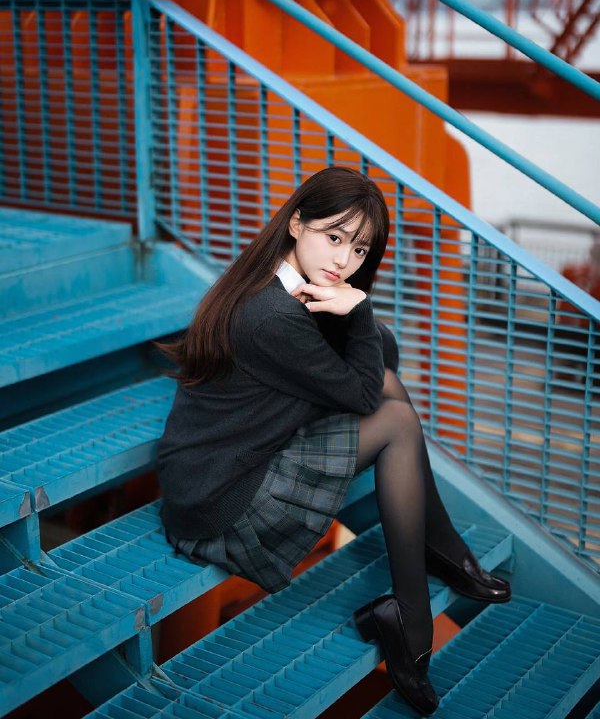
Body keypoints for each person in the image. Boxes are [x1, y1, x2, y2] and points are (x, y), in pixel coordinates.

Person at [156, 166, 511, 715]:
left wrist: (347, 309)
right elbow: (366, 392)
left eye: (359, 249)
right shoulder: (272, 314)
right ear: (298, 223)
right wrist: (358, 310)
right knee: (395, 420)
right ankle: (413, 618)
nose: (344, 261)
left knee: (391, 393)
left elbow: (382, 361)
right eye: (335, 237)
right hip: (220, 499)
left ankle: (440, 555)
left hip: (237, 454)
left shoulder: (286, 284)